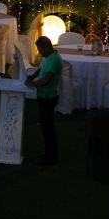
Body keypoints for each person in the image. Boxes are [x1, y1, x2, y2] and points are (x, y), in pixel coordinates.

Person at [25, 36, 63, 166]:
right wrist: (32, 76)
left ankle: (52, 156)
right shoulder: (48, 57)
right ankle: (48, 152)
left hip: (48, 97)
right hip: (44, 96)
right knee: (45, 126)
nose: (39, 52)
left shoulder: (54, 60)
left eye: (40, 50)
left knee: (48, 127)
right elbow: (41, 69)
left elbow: (46, 80)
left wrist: (32, 84)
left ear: (47, 47)